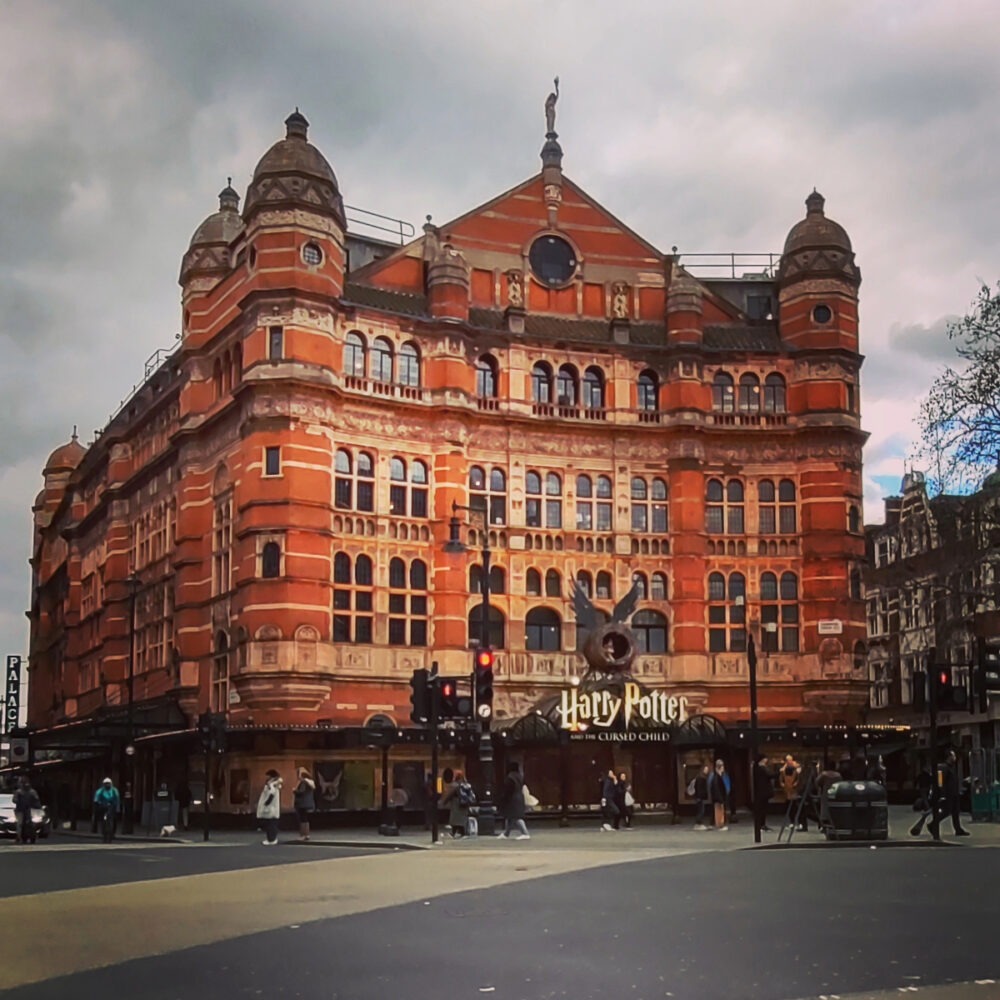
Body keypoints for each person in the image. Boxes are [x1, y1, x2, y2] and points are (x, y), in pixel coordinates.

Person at [933, 750, 970, 838]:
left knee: (955, 812)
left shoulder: (951, 767)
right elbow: (940, 781)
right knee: (946, 811)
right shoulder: (943, 767)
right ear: (949, 757)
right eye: (953, 756)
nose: (955, 758)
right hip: (948, 794)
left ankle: (958, 829)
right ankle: (933, 824)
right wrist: (942, 794)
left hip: (954, 793)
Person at [497, 762, 530, 840]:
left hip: (512, 799)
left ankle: (525, 833)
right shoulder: (520, 776)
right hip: (519, 797)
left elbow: (508, 790)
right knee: (511, 817)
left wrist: (503, 799)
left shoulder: (510, 777)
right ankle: (506, 833)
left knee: (516, 817)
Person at [441, 769, 474, 838]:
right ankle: (462, 833)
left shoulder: (455, 785)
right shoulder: (466, 785)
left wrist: (444, 802)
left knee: (455, 820)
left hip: (457, 805)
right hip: (464, 805)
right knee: (461, 820)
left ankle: (455, 833)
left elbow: (450, 795)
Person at [256, 769, 283, 845]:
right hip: (271, 808)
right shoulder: (273, 784)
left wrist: (266, 803)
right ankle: (271, 838)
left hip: (271, 807)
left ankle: (271, 839)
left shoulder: (272, 784)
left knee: (271, 824)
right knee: (270, 823)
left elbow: (272, 794)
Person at [14, 777, 40, 845]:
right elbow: (14, 800)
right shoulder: (18, 792)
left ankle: (33, 835)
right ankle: (18, 836)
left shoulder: (32, 792)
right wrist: (18, 801)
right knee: (20, 823)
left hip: (30, 809)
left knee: (33, 822)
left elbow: (37, 799)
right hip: (20, 810)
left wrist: (36, 805)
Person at [93, 777, 121, 843]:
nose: (107, 785)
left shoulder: (114, 790)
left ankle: (112, 833)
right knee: (103, 821)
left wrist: (117, 808)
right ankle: (104, 834)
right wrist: (97, 803)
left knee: (113, 820)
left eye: (108, 784)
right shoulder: (100, 791)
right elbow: (96, 799)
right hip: (103, 807)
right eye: (106, 784)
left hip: (111, 807)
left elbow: (117, 799)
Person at [910, 765, 934, 837]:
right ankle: (927, 807)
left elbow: (917, 780)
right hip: (926, 787)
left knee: (924, 798)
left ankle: (927, 807)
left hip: (922, 787)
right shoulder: (927, 775)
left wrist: (916, 786)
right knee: (925, 798)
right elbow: (931, 781)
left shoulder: (921, 775)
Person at [780, 755, 804, 829]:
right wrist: (782, 784)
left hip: (795, 789)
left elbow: (799, 777)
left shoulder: (797, 767)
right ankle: (792, 822)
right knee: (789, 807)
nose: (789, 762)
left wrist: (796, 783)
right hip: (787, 789)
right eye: (787, 760)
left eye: (790, 760)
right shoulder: (783, 769)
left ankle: (800, 822)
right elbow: (781, 778)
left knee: (797, 806)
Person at [293, 768, 316, 842]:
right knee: (305, 819)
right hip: (308, 803)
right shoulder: (310, 782)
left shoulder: (303, 782)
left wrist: (295, 791)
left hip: (302, 803)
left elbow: (301, 792)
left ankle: (303, 835)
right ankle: (307, 834)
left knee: (302, 819)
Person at [752, 754, 773, 836]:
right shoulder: (761, 768)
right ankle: (761, 825)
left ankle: (762, 824)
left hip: (762, 792)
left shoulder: (759, 768)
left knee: (763, 809)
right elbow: (769, 775)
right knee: (762, 809)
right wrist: (780, 772)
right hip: (762, 792)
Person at [708, 759, 729, 831]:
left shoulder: (716, 777)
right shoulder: (716, 777)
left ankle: (719, 825)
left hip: (718, 798)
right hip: (718, 799)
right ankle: (720, 825)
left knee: (719, 812)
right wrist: (720, 799)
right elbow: (717, 790)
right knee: (719, 812)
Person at [693, 764, 711, 830]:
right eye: (706, 770)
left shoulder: (700, 777)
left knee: (700, 810)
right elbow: (700, 788)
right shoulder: (701, 778)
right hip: (699, 797)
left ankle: (698, 823)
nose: (707, 771)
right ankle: (698, 824)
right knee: (701, 811)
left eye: (707, 770)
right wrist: (700, 796)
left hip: (698, 797)